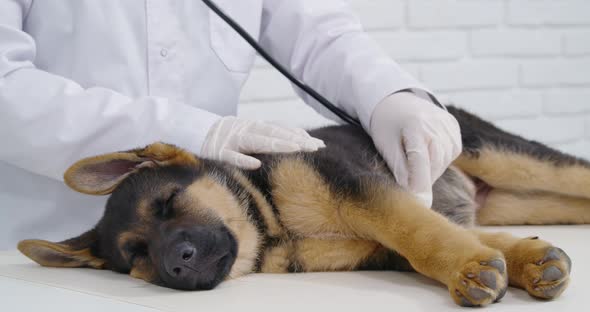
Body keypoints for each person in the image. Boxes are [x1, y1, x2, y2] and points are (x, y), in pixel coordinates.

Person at [0, 1, 461, 250]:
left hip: (215, 245)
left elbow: (318, 31)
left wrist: (390, 98)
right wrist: (188, 132)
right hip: (47, 246)